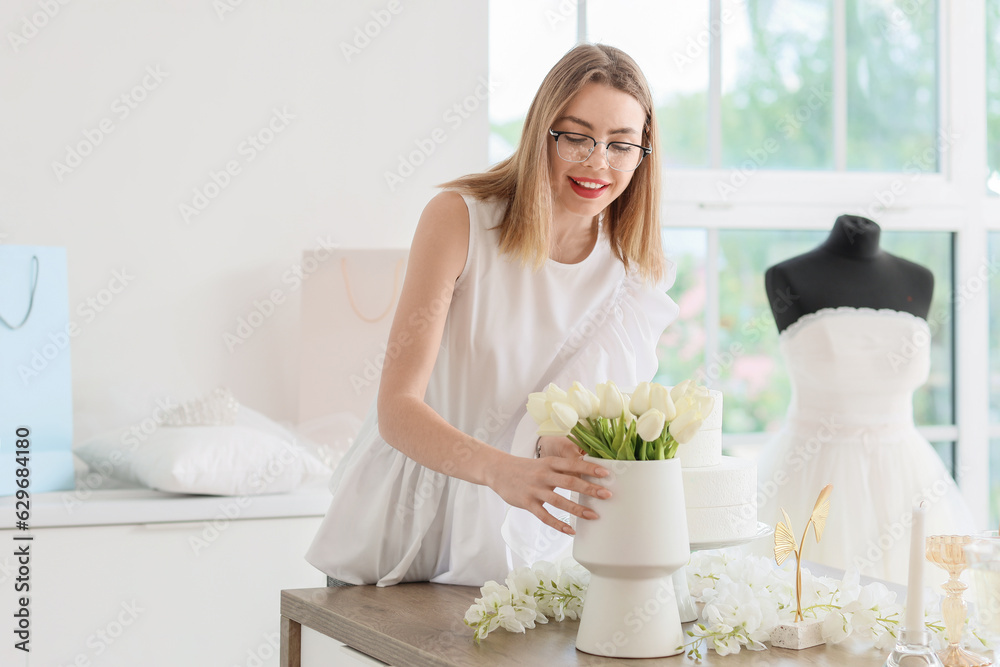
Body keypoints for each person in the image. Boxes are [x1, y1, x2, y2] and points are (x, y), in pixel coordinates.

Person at [305, 44, 679, 587]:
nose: (598, 162)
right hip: (407, 521)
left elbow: (556, 416)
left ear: (644, 151)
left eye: (622, 145)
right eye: (576, 136)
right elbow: (397, 410)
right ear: (540, 132)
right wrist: (503, 470)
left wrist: (556, 449)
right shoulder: (461, 219)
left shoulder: (631, 272)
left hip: (518, 533)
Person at [757, 215, 976, 585]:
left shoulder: (920, 279)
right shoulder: (787, 277)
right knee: (804, 604)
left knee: (922, 606)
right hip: (811, 468)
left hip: (905, 473)